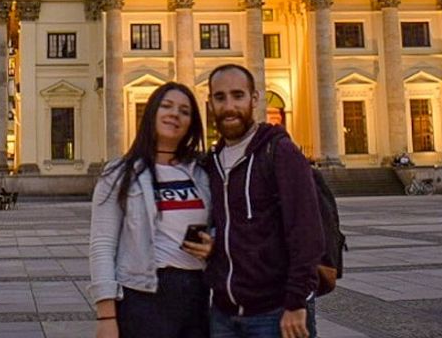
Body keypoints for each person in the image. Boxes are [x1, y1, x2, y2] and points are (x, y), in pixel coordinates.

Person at [205, 64, 326, 338]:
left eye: (238, 95)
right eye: (220, 97)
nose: (229, 106)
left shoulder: (280, 152)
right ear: (210, 103)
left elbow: (307, 234)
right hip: (224, 314)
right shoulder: (211, 164)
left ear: (254, 99)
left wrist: (296, 303)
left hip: (275, 313)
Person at [89, 81, 212, 338]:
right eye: (166, 106)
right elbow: (102, 245)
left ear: (192, 123)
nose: (175, 114)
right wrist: (106, 315)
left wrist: (215, 246)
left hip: (196, 296)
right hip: (142, 297)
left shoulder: (202, 174)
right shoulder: (119, 174)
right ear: (151, 113)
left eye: (184, 111)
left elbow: (222, 225)